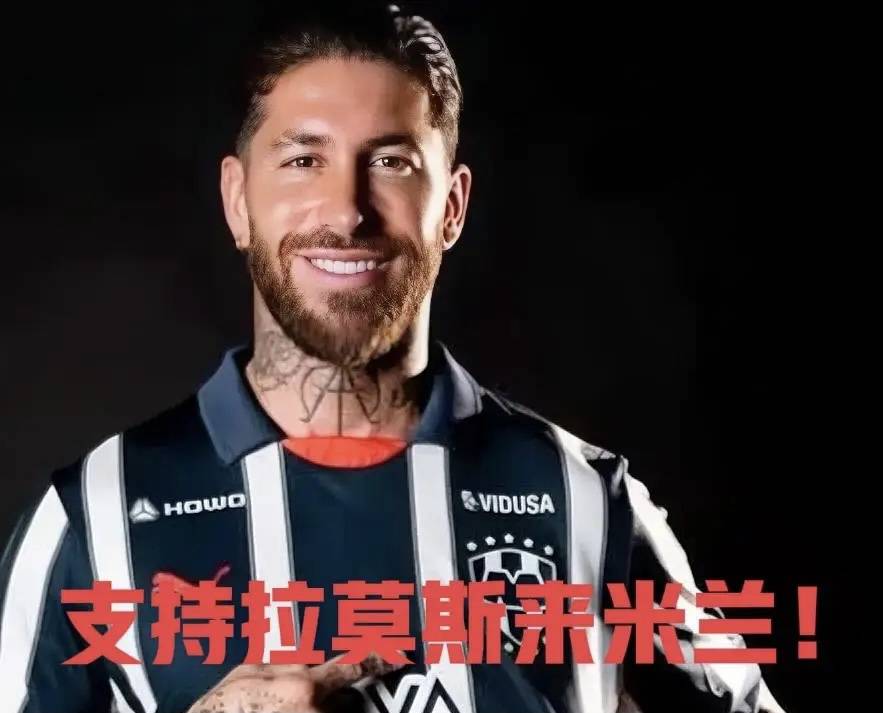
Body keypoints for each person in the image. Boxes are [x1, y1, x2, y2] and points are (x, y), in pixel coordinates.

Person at [0, 5, 788, 713]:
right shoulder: (90, 517)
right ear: (238, 201)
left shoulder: (588, 499)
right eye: (303, 159)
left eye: (391, 162)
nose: (347, 211)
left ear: (452, 206)